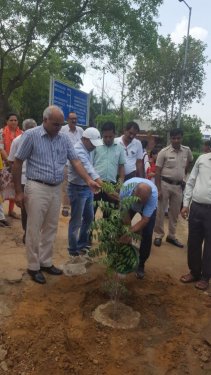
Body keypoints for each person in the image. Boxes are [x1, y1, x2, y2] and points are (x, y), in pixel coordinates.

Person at [12, 106, 100, 284]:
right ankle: (33, 266)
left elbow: (75, 160)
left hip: (56, 188)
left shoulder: (64, 139)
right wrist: (19, 192)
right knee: (34, 228)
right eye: (55, 124)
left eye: (61, 124)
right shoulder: (31, 136)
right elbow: (18, 161)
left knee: (51, 227)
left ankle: (45, 262)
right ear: (45, 120)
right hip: (36, 187)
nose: (59, 128)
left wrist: (89, 179)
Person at [154, 128, 193, 248]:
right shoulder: (164, 152)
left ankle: (171, 236)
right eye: (173, 138)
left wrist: (183, 175)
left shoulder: (187, 151)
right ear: (170, 138)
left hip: (178, 186)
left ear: (182, 138)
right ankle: (158, 235)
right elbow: (157, 171)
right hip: (165, 185)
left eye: (178, 138)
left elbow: (189, 162)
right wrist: (158, 189)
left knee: (175, 212)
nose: (176, 140)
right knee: (160, 211)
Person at [68, 128, 103, 256]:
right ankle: (73, 249)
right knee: (76, 221)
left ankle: (83, 243)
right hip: (77, 188)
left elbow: (91, 167)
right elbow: (88, 169)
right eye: (92, 143)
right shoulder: (77, 150)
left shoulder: (89, 149)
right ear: (85, 139)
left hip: (88, 188)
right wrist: (105, 186)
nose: (94, 147)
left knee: (89, 217)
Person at [180, 152, 211, 291]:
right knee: (193, 241)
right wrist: (186, 204)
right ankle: (194, 272)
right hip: (197, 207)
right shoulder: (202, 159)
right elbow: (191, 181)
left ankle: (205, 278)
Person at [120, 177, 158, 279]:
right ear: (134, 192)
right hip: (129, 206)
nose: (139, 204)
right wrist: (128, 230)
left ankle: (140, 265)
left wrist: (131, 231)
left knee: (147, 234)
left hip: (147, 211)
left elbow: (145, 220)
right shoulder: (125, 189)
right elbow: (124, 212)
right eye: (138, 201)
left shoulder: (153, 197)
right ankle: (122, 258)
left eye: (142, 202)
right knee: (121, 229)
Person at [8, 118, 37, 243]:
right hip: (27, 180)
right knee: (30, 208)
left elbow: (11, 161)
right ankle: (28, 233)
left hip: (28, 180)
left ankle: (29, 232)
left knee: (28, 209)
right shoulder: (18, 141)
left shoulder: (17, 140)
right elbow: (12, 162)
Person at [92, 121, 125, 216]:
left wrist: (120, 184)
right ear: (102, 134)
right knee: (91, 213)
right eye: (105, 137)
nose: (108, 139)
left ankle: (106, 231)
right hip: (96, 184)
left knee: (109, 215)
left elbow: (122, 167)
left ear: (115, 134)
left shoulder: (119, 148)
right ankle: (88, 231)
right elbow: (89, 165)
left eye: (110, 137)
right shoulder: (95, 146)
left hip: (111, 185)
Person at [60, 111, 84, 216]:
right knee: (66, 185)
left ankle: (76, 207)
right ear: (67, 120)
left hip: (79, 163)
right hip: (66, 162)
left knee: (78, 185)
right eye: (71, 119)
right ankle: (65, 207)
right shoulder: (62, 130)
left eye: (75, 119)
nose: (74, 120)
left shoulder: (81, 131)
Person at [0, 113, 22, 219]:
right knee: (2, 187)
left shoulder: (22, 133)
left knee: (15, 187)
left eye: (15, 120)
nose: (13, 122)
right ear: (7, 121)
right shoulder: (1, 132)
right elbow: (1, 148)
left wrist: (15, 164)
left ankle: (11, 211)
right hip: (3, 164)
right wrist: (9, 162)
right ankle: (1, 213)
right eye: (11, 120)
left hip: (17, 164)